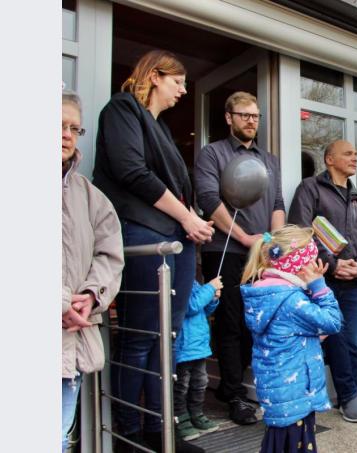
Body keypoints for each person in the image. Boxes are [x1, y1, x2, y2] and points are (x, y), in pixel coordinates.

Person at [93, 49, 213, 453]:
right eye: (177, 81)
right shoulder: (122, 109)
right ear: (155, 76)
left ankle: (161, 432)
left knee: (169, 340)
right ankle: (128, 436)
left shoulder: (161, 128)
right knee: (141, 339)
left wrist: (194, 220)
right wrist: (189, 218)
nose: (183, 89)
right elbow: (132, 172)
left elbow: (176, 185)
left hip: (172, 241)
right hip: (142, 238)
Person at [194, 91, 285, 425]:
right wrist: (246, 238)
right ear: (229, 117)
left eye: (256, 116)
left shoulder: (270, 159)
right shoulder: (212, 154)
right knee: (231, 324)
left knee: (254, 324)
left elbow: (277, 202)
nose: (251, 121)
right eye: (244, 115)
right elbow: (208, 199)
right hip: (227, 250)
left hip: (262, 254)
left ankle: (231, 385)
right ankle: (233, 394)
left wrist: (272, 244)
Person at [287, 139, 357, 423]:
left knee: (352, 341)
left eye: (356, 153)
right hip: (320, 281)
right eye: (348, 153)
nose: (355, 157)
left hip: (354, 281)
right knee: (335, 339)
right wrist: (334, 264)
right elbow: (300, 232)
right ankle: (348, 396)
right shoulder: (310, 189)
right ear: (329, 159)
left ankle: (350, 396)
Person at [239, 226, 343, 453]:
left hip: (280, 393)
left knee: (279, 445)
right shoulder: (292, 301)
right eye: (312, 261)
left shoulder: (268, 293)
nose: (316, 266)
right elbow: (333, 321)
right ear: (299, 266)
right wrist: (318, 286)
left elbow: (300, 332)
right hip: (295, 394)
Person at [61, 90, 124, 453]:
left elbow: (110, 253)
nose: (67, 134)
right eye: (57, 125)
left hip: (70, 343)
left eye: (74, 128)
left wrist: (91, 295)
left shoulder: (90, 195)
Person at [173, 277, 223, 441]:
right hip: (184, 346)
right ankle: (180, 418)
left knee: (200, 383)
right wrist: (209, 288)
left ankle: (196, 414)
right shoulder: (178, 281)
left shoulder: (193, 282)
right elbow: (190, 306)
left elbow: (203, 309)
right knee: (181, 385)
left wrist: (213, 298)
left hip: (198, 346)